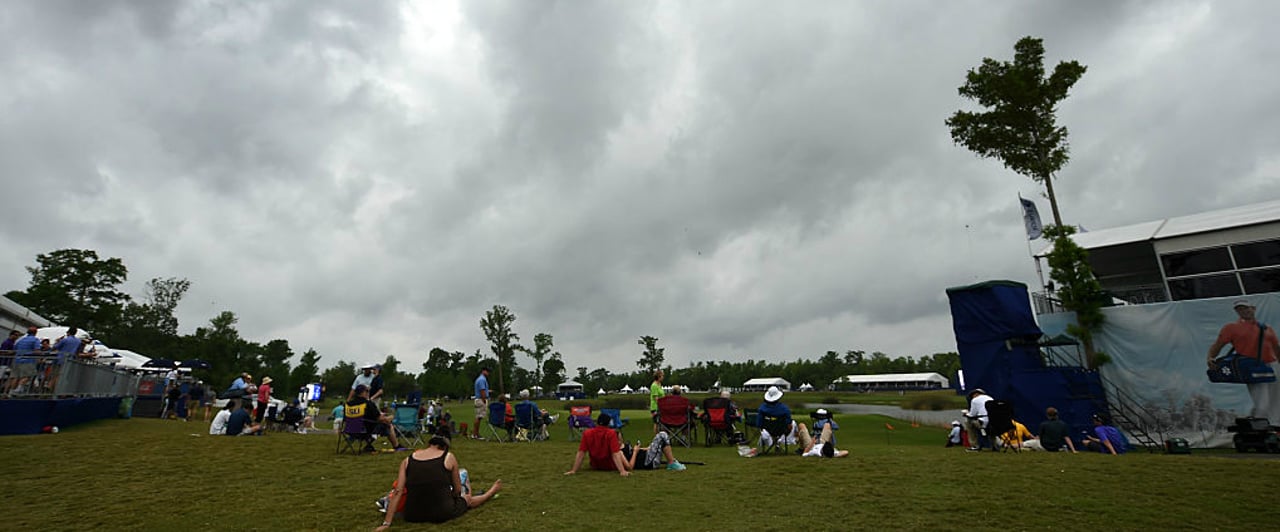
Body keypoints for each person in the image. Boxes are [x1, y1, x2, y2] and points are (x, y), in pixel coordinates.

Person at [375, 425, 502, 529]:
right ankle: (491, 492)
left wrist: (386, 523)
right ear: (446, 445)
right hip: (442, 512)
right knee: (467, 498)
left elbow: (398, 491)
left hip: (412, 514)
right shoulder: (448, 457)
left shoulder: (407, 460)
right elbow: (457, 490)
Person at [1208, 299, 1280, 423]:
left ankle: (1274, 427)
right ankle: (1260, 428)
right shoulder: (1231, 328)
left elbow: (1276, 348)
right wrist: (1210, 357)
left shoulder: (1266, 328)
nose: (1244, 311)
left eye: (1246, 308)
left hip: (1273, 365)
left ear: (1253, 308)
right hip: (1253, 366)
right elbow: (1218, 345)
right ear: (1236, 311)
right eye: (1240, 309)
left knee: (1276, 402)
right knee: (1262, 404)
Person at [565, 412, 631, 476]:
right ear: (608, 423)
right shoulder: (611, 433)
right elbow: (615, 453)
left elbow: (581, 453)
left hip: (595, 465)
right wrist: (622, 471)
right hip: (610, 465)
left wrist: (574, 470)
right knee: (621, 452)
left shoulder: (587, 433)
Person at [347, 384, 405, 450]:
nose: (368, 393)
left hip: (350, 430)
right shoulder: (368, 403)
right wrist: (390, 417)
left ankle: (368, 446)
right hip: (365, 430)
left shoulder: (348, 404)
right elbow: (380, 419)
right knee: (388, 424)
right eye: (367, 391)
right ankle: (396, 446)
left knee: (382, 422)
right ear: (363, 392)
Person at [755, 386, 801, 453]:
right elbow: (788, 423)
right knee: (793, 423)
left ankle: (776, 442)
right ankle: (788, 440)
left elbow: (759, 424)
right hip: (781, 430)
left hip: (768, 431)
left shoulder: (762, 408)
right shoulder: (784, 409)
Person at [6, 327, 42, 394]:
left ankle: (10, 392)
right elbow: (37, 351)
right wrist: (40, 355)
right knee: (28, 376)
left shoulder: (21, 340)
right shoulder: (35, 340)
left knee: (15, 377)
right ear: (35, 333)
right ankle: (18, 389)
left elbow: (14, 350)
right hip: (28, 360)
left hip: (17, 360)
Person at [472, 367, 490, 440]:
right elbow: (482, 390)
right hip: (481, 399)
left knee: (478, 417)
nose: (488, 373)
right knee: (479, 417)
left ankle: (475, 433)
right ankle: (475, 434)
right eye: (487, 371)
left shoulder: (479, 379)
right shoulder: (482, 379)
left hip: (478, 399)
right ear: (483, 371)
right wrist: (484, 400)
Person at [649, 369, 665, 434]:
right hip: (655, 407)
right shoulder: (654, 386)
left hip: (661, 406)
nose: (663, 377)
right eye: (662, 376)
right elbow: (656, 398)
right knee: (656, 422)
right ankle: (657, 437)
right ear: (658, 377)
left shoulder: (659, 385)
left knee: (661, 422)